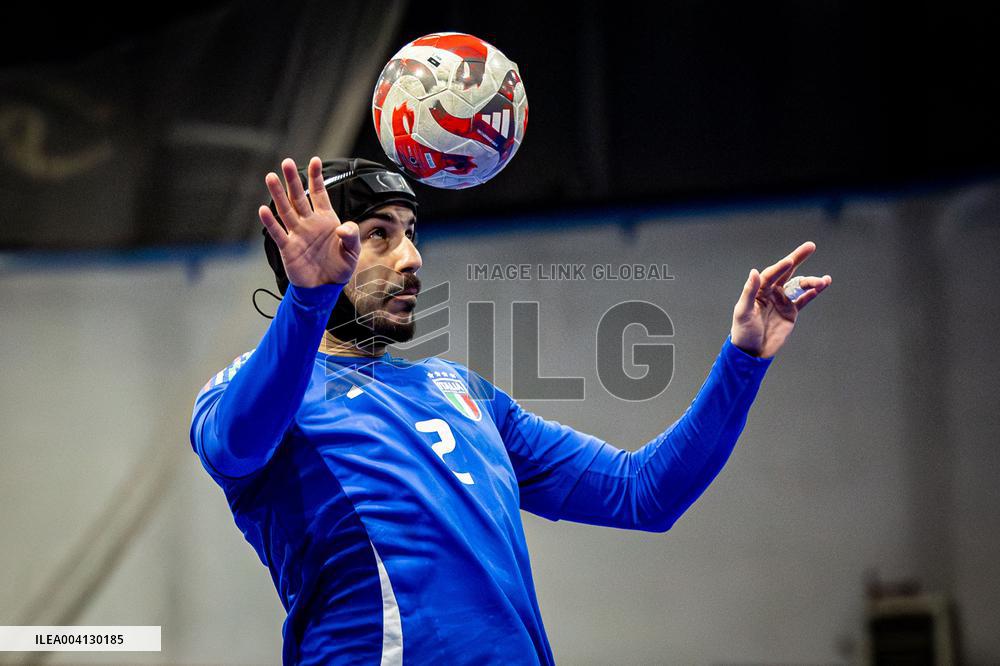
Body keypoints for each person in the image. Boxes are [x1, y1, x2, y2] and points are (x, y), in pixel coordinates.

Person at [189, 156, 832, 665]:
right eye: (380, 235)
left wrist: (743, 359)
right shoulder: (251, 390)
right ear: (300, 256)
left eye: (411, 234)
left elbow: (646, 494)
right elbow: (237, 445)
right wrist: (308, 301)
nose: (411, 259)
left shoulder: (458, 390)